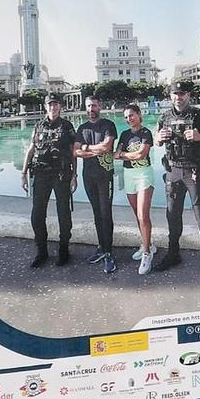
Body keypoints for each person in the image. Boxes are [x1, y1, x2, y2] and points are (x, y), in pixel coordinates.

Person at [157, 81, 200, 279]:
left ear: (188, 95)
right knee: (172, 214)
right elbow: (156, 137)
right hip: (172, 171)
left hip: (194, 171)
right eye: (175, 93)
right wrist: (159, 137)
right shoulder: (165, 116)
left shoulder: (199, 115)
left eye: (182, 93)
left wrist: (199, 136)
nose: (179, 97)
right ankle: (173, 253)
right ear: (170, 96)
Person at [21, 94, 76, 267]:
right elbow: (31, 148)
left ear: (60, 107)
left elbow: (73, 151)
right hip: (40, 175)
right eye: (50, 104)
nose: (53, 107)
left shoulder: (67, 126)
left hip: (61, 175)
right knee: (37, 215)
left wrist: (74, 175)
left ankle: (63, 250)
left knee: (64, 214)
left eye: (56, 104)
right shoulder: (38, 126)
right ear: (46, 107)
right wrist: (23, 173)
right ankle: (41, 252)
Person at [74, 94, 120, 274]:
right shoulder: (82, 128)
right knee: (96, 213)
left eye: (93, 105)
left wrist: (85, 148)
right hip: (89, 176)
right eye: (88, 106)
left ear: (99, 106)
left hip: (104, 176)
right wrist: (91, 149)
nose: (91, 109)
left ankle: (109, 252)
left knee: (105, 212)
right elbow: (75, 151)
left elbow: (106, 148)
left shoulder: (108, 125)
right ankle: (101, 247)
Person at [115, 103, 158, 275]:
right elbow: (115, 154)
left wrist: (124, 155)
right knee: (136, 214)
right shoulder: (124, 134)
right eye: (126, 117)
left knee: (143, 215)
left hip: (143, 175)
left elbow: (142, 154)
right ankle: (148, 244)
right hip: (129, 175)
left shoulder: (145, 133)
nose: (129, 119)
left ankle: (147, 254)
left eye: (132, 115)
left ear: (139, 115)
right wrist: (122, 155)